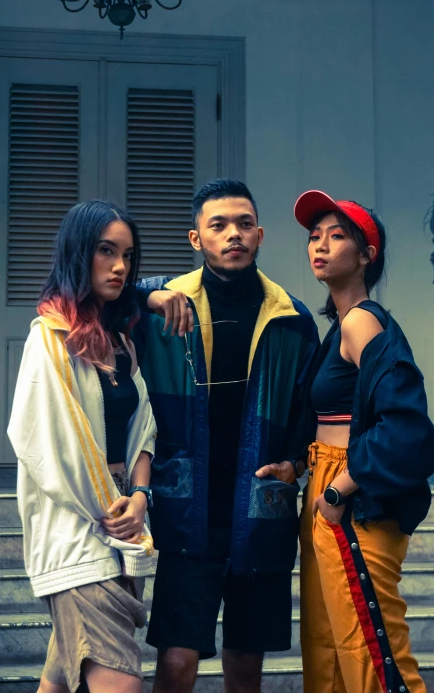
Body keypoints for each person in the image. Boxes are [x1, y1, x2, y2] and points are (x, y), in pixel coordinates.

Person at [132, 179, 319, 693]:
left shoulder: (294, 321)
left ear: (259, 235)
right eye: (218, 225)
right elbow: (90, 292)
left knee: (246, 660)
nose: (232, 234)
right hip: (188, 504)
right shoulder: (163, 306)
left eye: (243, 224)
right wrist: (147, 293)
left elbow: (310, 412)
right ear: (197, 239)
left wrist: (297, 467)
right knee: (176, 658)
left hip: (259, 508)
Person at [290, 190, 434, 693]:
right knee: (330, 650)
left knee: (374, 657)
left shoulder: (361, 321)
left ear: (366, 255)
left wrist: (338, 492)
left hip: (353, 497)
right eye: (315, 236)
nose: (321, 245)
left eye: (338, 236)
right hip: (328, 486)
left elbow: (407, 428)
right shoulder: (337, 328)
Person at [7, 200, 157, 693]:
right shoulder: (48, 340)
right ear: (78, 254)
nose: (119, 267)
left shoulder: (122, 342)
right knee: (121, 683)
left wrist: (138, 498)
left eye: (128, 255)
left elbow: (144, 429)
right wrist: (112, 511)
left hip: (120, 515)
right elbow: (45, 444)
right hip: (78, 526)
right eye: (105, 251)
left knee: (60, 676)